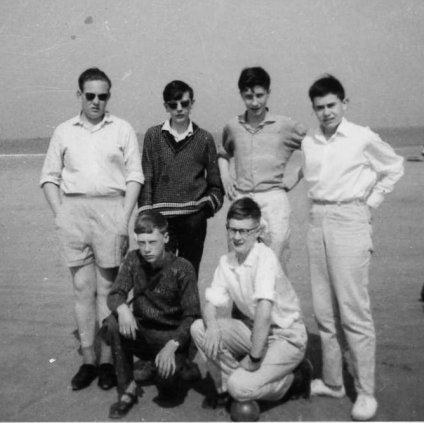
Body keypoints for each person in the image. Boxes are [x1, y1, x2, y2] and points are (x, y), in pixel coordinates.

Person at [301, 74, 404, 421]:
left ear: (345, 104)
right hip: (317, 221)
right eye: (320, 107)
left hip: (350, 220)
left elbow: (394, 168)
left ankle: (366, 391)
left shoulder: (362, 137)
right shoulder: (310, 141)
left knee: (354, 311)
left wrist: (369, 205)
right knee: (324, 311)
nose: (326, 112)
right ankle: (333, 381)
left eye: (332, 105)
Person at [40, 67, 144, 392]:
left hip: (112, 211)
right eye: (90, 96)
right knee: (82, 289)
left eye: (103, 96)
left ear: (108, 97)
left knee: (108, 289)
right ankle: (88, 359)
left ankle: (107, 362)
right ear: (79, 96)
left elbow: (135, 176)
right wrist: (61, 215)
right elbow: (48, 177)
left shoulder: (122, 129)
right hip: (73, 212)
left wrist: (124, 218)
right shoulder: (63, 131)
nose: (96, 101)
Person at [190, 197, 311, 414]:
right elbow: (210, 303)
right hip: (255, 332)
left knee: (240, 387)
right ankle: (228, 387)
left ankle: (294, 380)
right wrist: (213, 326)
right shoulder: (226, 262)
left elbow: (264, 313)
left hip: (286, 336)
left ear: (257, 231)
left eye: (244, 231)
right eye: (233, 230)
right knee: (199, 328)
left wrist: (255, 359)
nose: (237, 237)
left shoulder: (264, 258)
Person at [103, 211, 200, 419]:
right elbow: (115, 294)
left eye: (152, 242)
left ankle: (179, 367)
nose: (146, 249)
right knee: (112, 322)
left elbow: (192, 315)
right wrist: (122, 309)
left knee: (168, 395)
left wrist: (173, 344)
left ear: (165, 238)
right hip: (144, 332)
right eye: (142, 242)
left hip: (172, 337)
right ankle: (127, 390)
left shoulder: (182, 268)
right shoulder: (133, 259)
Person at [217, 66, 306, 274]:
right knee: (239, 264)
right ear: (241, 95)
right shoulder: (233, 126)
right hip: (242, 198)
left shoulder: (285, 125)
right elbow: (223, 153)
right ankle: (242, 307)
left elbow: (315, 147)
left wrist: (296, 176)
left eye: (259, 95)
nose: (255, 102)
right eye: (248, 96)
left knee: (275, 264)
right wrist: (225, 176)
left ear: (268, 93)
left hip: (274, 199)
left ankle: (274, 306)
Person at [138, 80, 224, 277]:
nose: (179, 109)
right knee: (157, 277)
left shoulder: (204, 138)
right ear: (165, 106)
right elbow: (147, 178)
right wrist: (145, 216)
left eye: (184, 104)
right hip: (160, 220)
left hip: (193, 220)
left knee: (188, 276)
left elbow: (216, 185)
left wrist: (204, 210)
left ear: (192, 103)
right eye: (173, 104)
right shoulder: (153, 136)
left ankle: (190, 309)